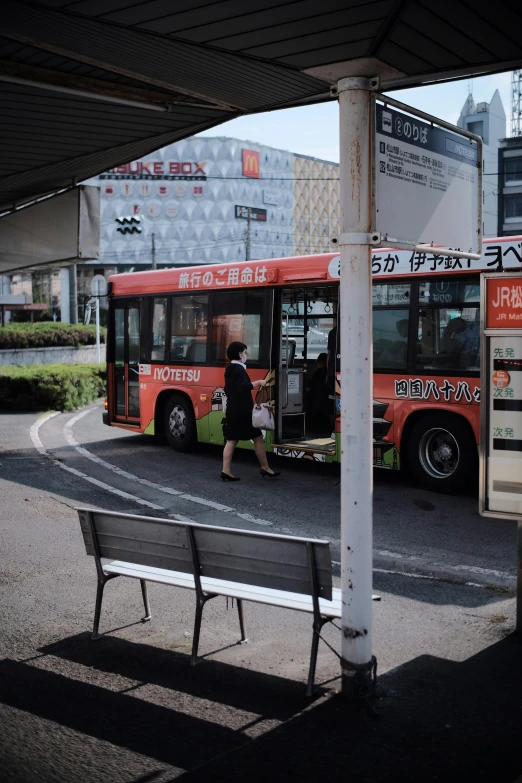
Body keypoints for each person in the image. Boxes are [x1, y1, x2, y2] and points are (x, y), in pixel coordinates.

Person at [222, 341, 280, 481]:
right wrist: (259, 382)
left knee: (231, 440)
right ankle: (265, 468)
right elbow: (245, 386)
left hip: (233, 409)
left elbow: (229, 389)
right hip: (243, 411)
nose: (246, 354)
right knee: (258, 438)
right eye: (245, 352)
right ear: (240, 354)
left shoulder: (230, 369)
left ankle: (226, 470)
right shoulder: (239, 370)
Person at [306, 353, 329, 429]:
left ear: (321, 362)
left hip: (316, 398)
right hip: (325, 398)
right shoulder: (329, 373)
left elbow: (311, 383)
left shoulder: (319, 372)